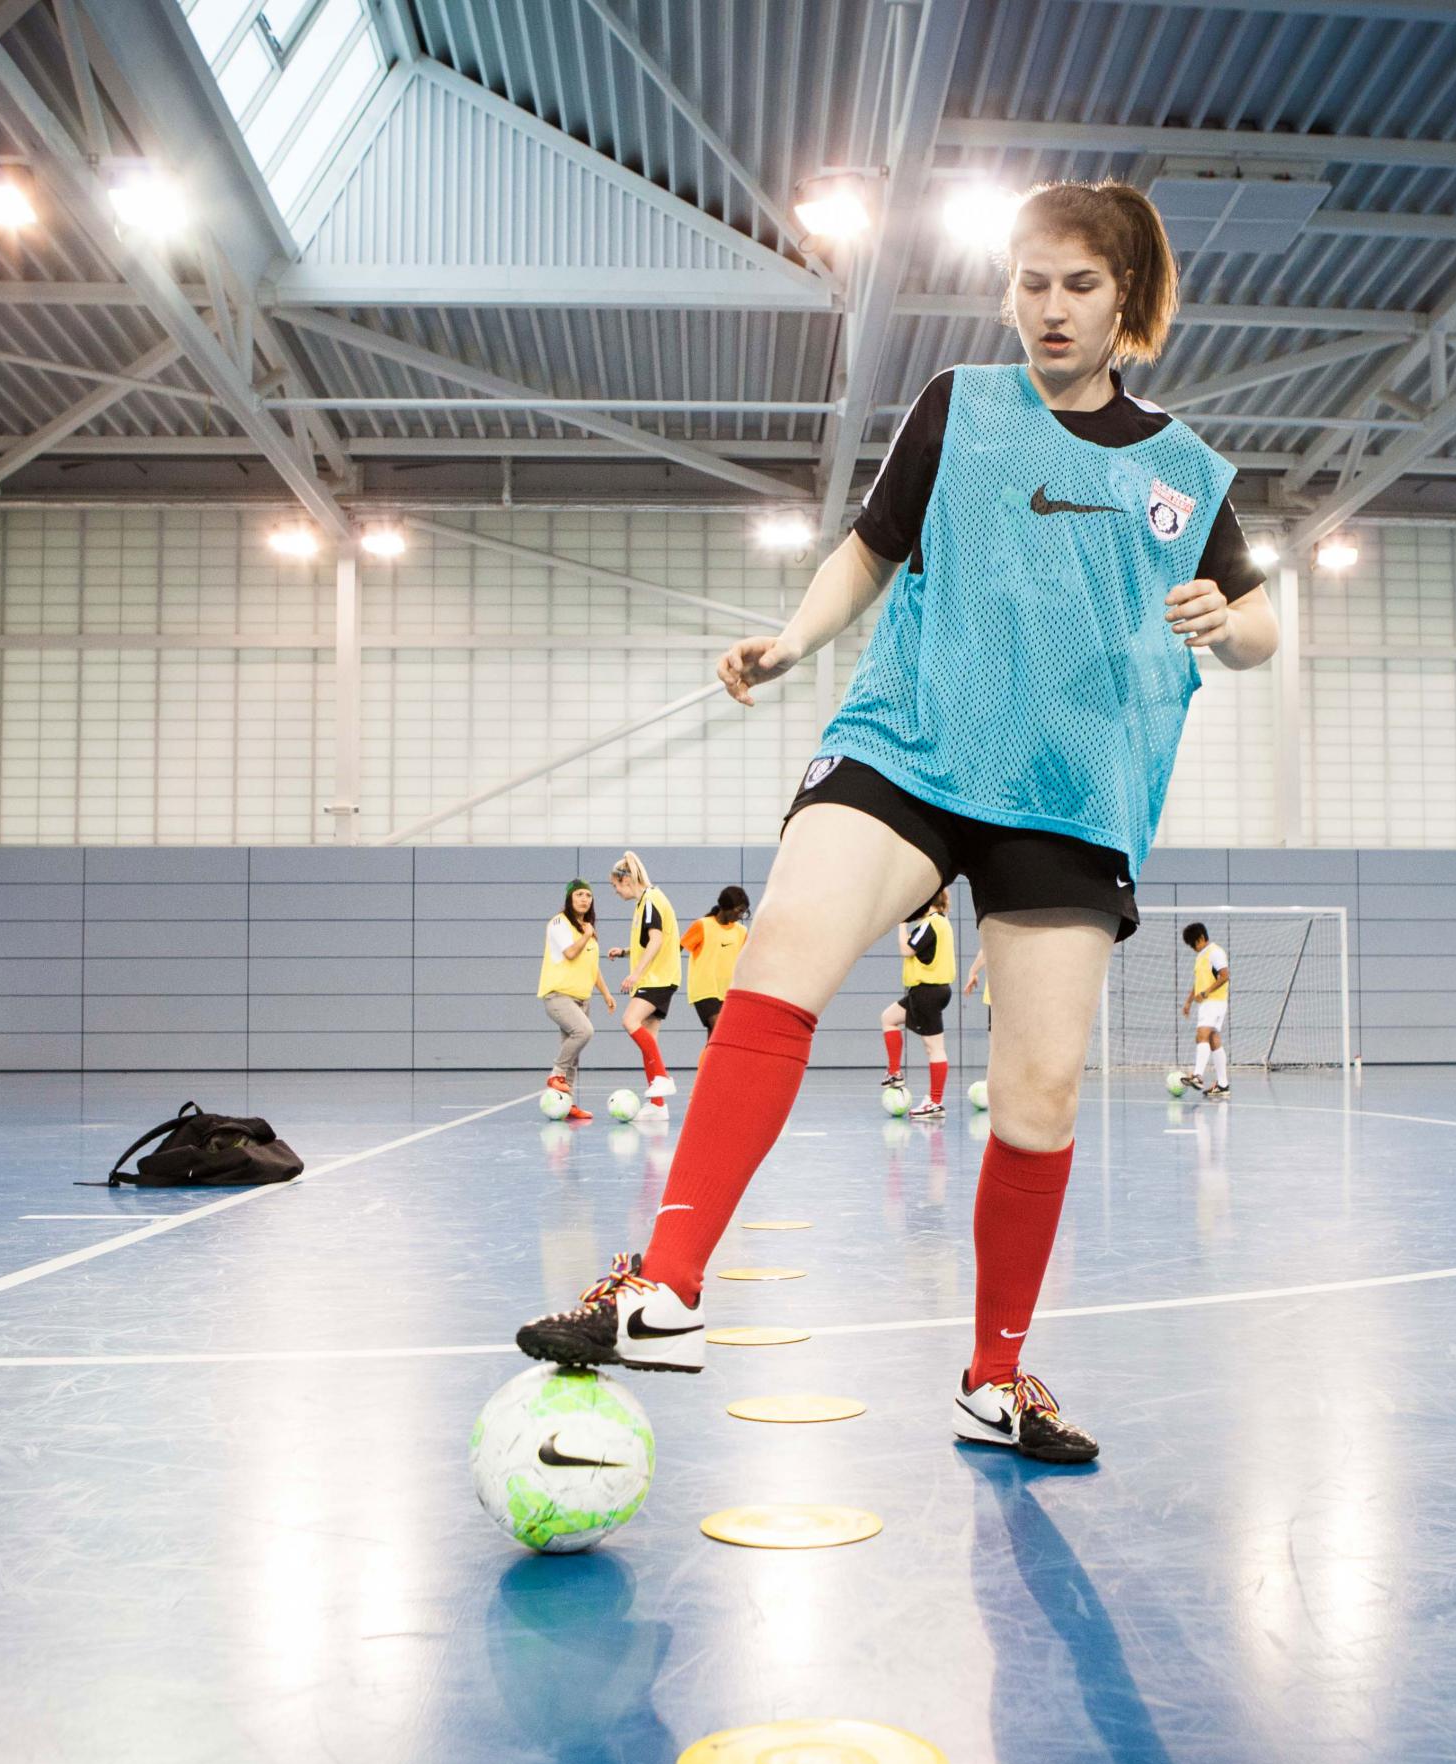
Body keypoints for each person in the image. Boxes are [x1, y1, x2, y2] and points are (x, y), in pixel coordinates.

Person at [514, 179, 1275, 1463]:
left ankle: (996, 1377)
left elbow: (1256, 620)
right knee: (785, 950)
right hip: (912, 739)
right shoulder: (958, 409)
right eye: (1030, 281)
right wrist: (795, 640)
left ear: (1127, 300)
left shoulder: (1180, 470)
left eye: (1077, 286)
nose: (1046, 308)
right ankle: (669, 1287)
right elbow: (868, 549)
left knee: (1035, 1094)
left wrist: (1226, 623)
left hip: (1069, 790)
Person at [601, 851, 680, 1107]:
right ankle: (658, 1105)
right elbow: (650, 941)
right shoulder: (644, 903)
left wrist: (634, 975)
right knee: (649, 1041)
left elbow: (657, 940)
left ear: (626, 880)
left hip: (656, 979)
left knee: (629, 1020)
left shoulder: (650, 899)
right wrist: (625, 952)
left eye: (615, 886)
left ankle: (664, 1078)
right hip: (659, 977)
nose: (616, 892)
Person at [537, 881, 618, 1123]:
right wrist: (586, 935)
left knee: (574, 1055)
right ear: (570, 898)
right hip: (558, 995)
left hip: (582, 998)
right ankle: (555, 1074)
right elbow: (571, 953)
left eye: (589, 895)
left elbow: (593, 968)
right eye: (580, 894)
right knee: (584, 1032)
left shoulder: (588, 930)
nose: (585, 899)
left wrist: (606, 994)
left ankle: (566, 1105)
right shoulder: (560, 923)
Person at [883, 888, 957, 1118]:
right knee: (888, 1018)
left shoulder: (932, 923)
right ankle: (895, 1072)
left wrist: (901, 924)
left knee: (934, 1048)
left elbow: (907, 949)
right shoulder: (939, 923)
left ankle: (935, 1102)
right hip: (925, 992)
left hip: (929, 991)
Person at [681, 886, 751, 1032]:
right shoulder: (702, 925)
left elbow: (746, 963)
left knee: (715, 1040)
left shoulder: (741, 931)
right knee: (722, 1033)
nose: (740, 916)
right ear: (726, 907)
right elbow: (676, 949)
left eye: (744, 912)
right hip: (705, 990)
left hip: (729, 992)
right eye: (739, 911)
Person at [1181, 921, 1231, 1100]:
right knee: (1213, 1039)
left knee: (1201, 1035)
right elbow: (1199, 982)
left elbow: (1225, 976)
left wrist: (1207, 992)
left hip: (1214, 1001)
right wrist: (1188, 1002)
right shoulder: (1201, 956)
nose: (1193, 948)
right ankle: (1223, 1085)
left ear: (1201, 938)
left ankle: (1198, 1076)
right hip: (1208, 1003)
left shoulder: (1215, 952)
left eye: (1193, 944)